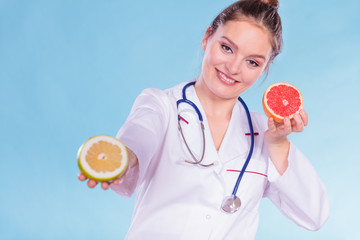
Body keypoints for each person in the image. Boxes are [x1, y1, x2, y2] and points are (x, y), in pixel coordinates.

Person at [78, 0, 330, 239]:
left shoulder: (265, 133)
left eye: (252, 62)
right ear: (207, 37)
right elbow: (136, 143)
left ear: (264, 68)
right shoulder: (161, 106)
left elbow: (314, 215)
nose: (232, 68)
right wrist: (120, 161)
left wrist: (277, 145)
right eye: (227, 48)